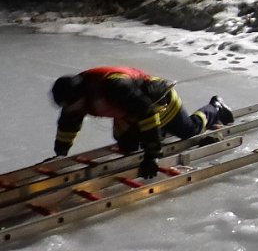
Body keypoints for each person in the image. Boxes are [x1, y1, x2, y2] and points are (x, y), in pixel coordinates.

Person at [50, 66, 235, 179]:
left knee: (189, 130)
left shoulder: (116, 87)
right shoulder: (74, 97)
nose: (71, 110)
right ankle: (160, 133)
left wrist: (152, 155)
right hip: (129, 114)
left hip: (158, 102)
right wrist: (60, 154)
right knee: (127, 146)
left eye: (72, 105)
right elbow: (68, 124)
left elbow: (147, 114)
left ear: (80, 96)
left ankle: (215, 108)